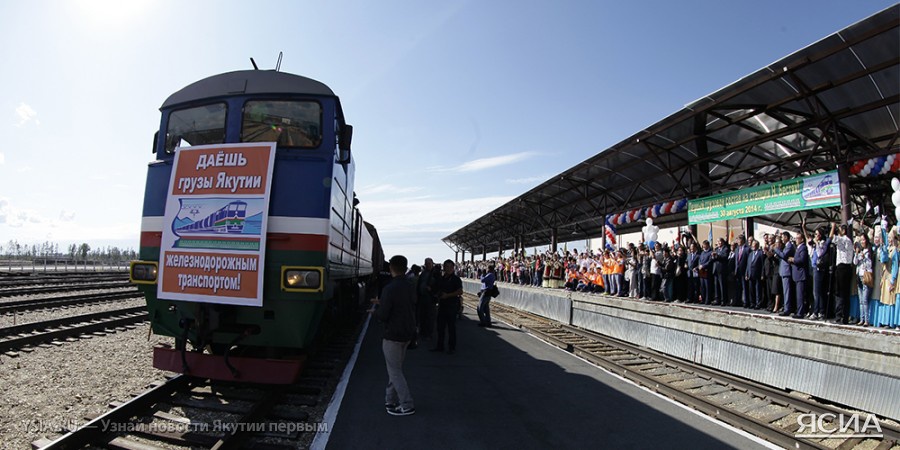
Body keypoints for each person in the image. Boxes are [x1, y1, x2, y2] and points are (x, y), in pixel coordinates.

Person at [372, 255, 417, 416]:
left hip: (393, 334)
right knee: (395, 369)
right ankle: (389, 400)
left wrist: (375, 311)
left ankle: (407, 404)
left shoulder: (389, 288)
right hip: (407, 333)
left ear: (390, 267)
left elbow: (384, 315)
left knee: (395, 371)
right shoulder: (411, 285)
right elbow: (406, 305)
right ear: (405, 268)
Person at [432, 259, 463, 354]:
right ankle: (439, 346)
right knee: (440, 327)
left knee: (451, 328)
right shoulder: (441, 278)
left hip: (452, 306)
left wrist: (448, 295)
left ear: (453, 268)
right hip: (442, 306)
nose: (448, 269)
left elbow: (460, 291)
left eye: (450, 267)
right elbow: (437, 289)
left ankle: (451, 347)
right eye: (446, 267)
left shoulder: (456, 279)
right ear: (444, 268)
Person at [831, 223, 854, 324]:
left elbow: (831, 237)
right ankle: (844, 317)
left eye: (839, 229)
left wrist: (833, 227)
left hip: (842, 267)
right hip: (847, 268)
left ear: (843, 231)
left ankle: (839, 316)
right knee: (845, 293)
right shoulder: (849, 241)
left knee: (840, 292)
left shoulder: (844, 239)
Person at [854, 232, 873, 327]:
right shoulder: (860, 251)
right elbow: (855, 262)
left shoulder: (869, 251)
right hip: (859, 276)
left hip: (865, 276)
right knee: (860, 300)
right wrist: (857, 254)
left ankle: (867, 320)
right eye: (861, 240)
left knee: (865, 300)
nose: (862, 242)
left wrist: (864, 257)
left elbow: (870, 265)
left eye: (863, 239)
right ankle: (861, 319)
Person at [774, 231, 796, 316]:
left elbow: (783, 255)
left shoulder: (789, 245)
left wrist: (776, 249)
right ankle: (786, 307)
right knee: (785, 291)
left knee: (787, 291)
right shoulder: (786, 246)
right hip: (783, 271)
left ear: (786, 237)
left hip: (787, 271)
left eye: (783, 237)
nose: (782, 239)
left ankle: (787, 309)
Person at [789, 231, 809, 318]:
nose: (796, 240)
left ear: (802, 239)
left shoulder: (803, 248)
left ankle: (800, 312)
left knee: (800, 294)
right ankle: (799, 310)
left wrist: (793, 260)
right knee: (798, 294)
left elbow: (802, 260)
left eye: (797, 238)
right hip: (796, 274)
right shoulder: (797, 248)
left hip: (801, 274)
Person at [745, 238, 765, 309]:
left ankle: (758, 303)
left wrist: (762, 274)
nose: (753, 246)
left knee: (758, 290)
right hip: (750, 274)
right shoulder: (750, 254)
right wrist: (746, 274)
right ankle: (752, 303)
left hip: (757, 274)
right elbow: (748, 265)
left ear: (757, 245)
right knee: (751, 290)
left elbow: (763, 265)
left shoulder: (760, 253)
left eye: (754, 245)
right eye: (752, 245)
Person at [698, 240, 713, 304]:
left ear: (707, 245)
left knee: (707, 287)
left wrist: (703, 266)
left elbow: (710, 261)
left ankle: (707, 300)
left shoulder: (710, 252)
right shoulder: (702, 253)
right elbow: (700, 260)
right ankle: (703, 299)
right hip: (701, 271)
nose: (703, 246)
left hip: (707, 271)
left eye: (705, 245)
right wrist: (699, 266)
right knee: (702, 286)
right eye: (703, 245)